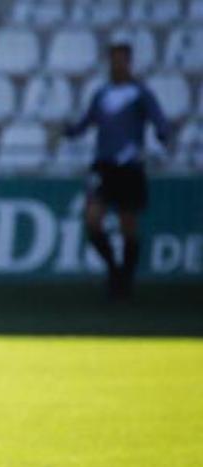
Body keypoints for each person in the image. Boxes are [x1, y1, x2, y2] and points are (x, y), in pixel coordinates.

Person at [63, 42, 172, 299]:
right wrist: (67, 131)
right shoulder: (101, 94)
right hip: (104, 165)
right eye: (113, 60)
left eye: (121, 60)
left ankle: (125, 280)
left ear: (129, 62)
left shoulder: (139, 93)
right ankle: (114, 269)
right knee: (92, 219)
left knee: (128, 225)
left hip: (129, 166)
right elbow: (85, 123)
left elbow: (159, 121)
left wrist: (162, 135)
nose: (117, 65)